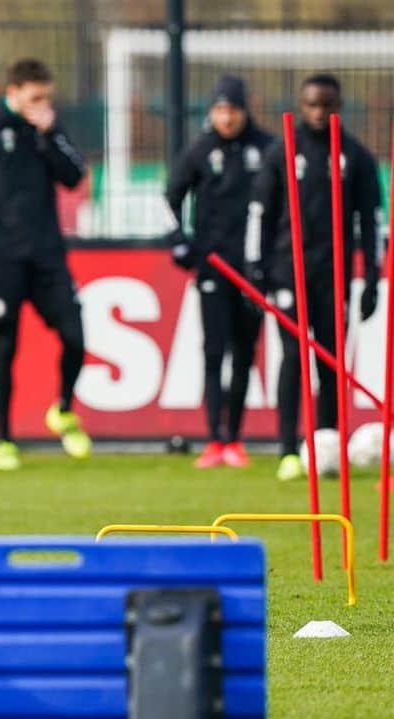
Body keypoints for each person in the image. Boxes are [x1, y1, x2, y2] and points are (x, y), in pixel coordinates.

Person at [0, 57, 89, 471]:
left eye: (47, 98)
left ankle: (62, 409)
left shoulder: (47, 129)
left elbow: (75, 175)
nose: (42, 104)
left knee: (76, 336)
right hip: (0, 257)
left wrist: (50, 133)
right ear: (13, 93)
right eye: (35, 98)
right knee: (5, 345)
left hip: (47, 256)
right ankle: (4, 439)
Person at [247, 73, 382, 481]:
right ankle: (288, 449)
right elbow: (260, 214)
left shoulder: (355, 156)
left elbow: (372, 222)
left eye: (327, 105)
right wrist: (257, 270)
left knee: (332, 363)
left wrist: (372, 279)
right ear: (301, 105)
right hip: (289, 274)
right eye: (312, 105)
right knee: (293, 359)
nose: (319, 113)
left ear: (339, 106)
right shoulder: (281, 152)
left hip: (334, 276)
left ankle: (325, 446)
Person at [164, 75, 273, 469]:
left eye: (233, 110)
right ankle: (214, 439)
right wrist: (181, 239)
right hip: (213, 266)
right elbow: (171, 196)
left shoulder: (267, 148)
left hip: (253, 270)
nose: (226, 118)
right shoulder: (200, 149)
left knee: (245, 353)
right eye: (220, 110)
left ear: (245, 111)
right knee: (214, 351)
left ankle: (236, 439)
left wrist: (268, 260)